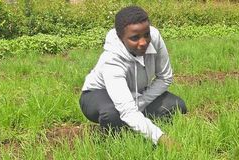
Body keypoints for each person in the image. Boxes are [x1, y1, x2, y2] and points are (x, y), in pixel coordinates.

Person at [79, 6, 187, 149]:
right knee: (112, 113)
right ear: (120, 37)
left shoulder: (155, 37)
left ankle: (134, 125)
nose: (143, 42)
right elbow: (127, 110)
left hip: (137, 93)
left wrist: (141, 102)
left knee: (176, 105)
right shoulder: (112, 60)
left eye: (146, 34)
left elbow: (165, 77)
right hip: (98, 95)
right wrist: (162, 139)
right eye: (134, 38)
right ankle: (117, 140)